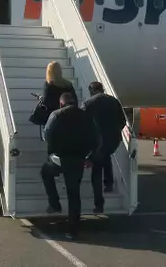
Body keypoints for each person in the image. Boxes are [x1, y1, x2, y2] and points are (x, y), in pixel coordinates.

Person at [40, 92, 98, 240]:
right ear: (75, 102)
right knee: (74, 195)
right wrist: (90, 157)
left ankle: (54, 203)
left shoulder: (56, 114)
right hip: (78, 159)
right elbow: (97, 138)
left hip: (59, 158)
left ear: (61, 103)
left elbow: (46, 134)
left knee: (46, 173)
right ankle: (73, 230)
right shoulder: (86, 116)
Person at [81, 81, 126, 214]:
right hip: (113, 139)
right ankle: (109, 183)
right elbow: (122, 121)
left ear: (91, 90)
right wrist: (115, 131)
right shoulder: (113, 101)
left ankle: (99, 204)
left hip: (96, 141)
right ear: (102, 89)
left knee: (96, 171)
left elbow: (82, 123)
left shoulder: (88, 103)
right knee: (105, 155)